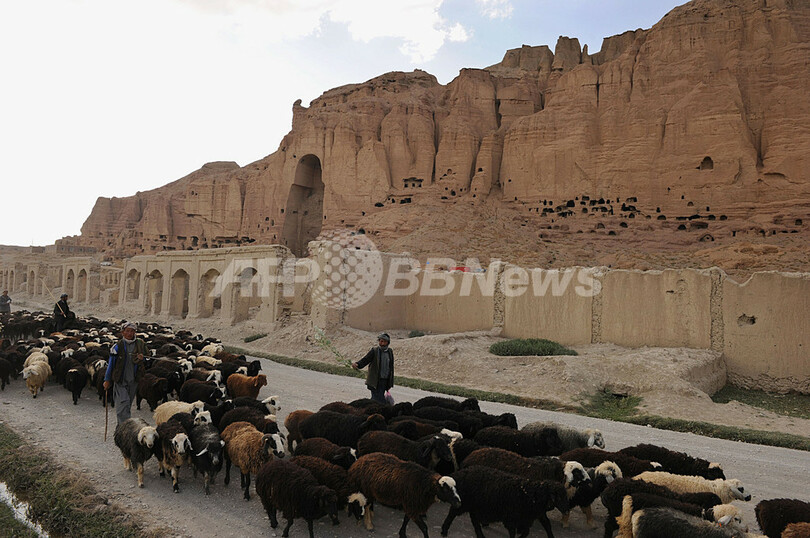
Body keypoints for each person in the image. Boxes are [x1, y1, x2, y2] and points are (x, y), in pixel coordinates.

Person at [103, 322, 146, 425]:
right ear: (123, 332)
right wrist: (107, 379)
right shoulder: (117, 346)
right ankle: (124, 428)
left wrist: (142, 358)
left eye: (132, 331)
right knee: (123, 403)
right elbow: (111, 364)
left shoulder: (140, 344)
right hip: (121, 380)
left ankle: (121, 427)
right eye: (127, 331)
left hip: (134, 379)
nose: (129, 333)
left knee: (127, 405)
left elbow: (147, 359)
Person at [352, 333, 394, 404]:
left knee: (376, 400)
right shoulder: (375, 351)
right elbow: (365, 360)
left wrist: (390, 381)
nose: (382, 343)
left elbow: (391, 367)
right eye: (380, 341)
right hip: (375, 381)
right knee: (379, 401)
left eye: (384, 341)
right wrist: (358, 364)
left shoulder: (389, 352)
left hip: (385, 381)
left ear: (387, 342)